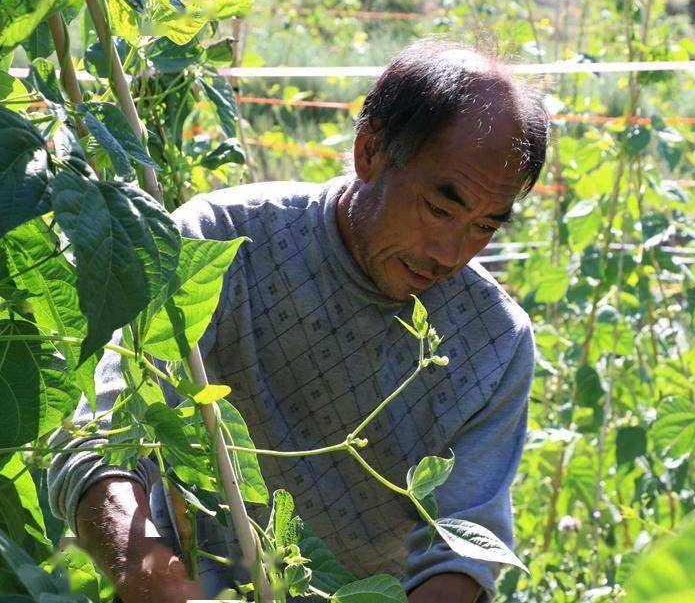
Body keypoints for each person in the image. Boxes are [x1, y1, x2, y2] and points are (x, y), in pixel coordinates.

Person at [47, 39, 549, 603]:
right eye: (440, 208)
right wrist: (155, 580)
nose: (452, 252)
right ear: (369, 152)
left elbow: (463, 550)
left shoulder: (494, 342)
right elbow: (93, 442)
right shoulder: (223, 243)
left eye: (485, 226)